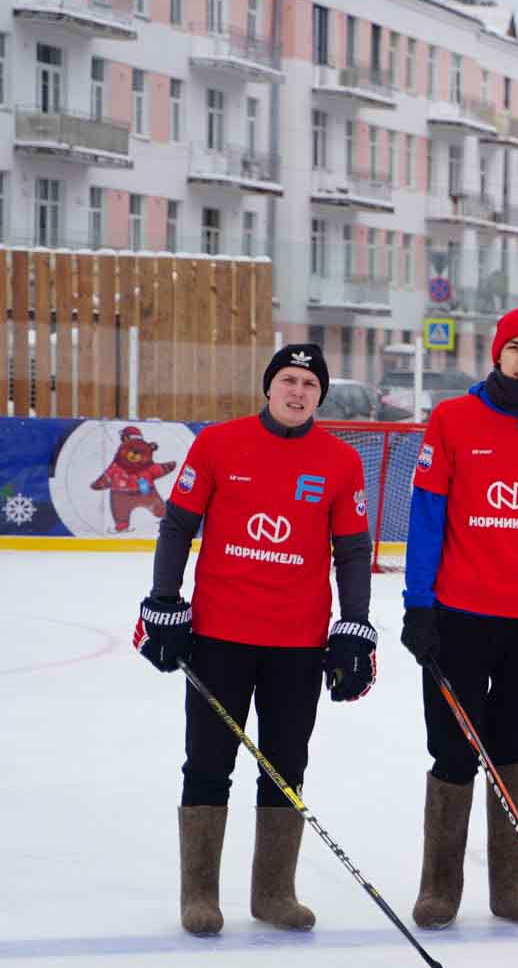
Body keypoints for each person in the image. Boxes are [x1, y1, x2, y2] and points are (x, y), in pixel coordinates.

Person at [135, 343, 377, 935]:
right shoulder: (219, 444)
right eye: (289, 380)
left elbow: (351, 550)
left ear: (320, 396)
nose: (298, 393)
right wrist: (165, 602)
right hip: (220, 635)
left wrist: (355, 626)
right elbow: (178, 526)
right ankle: (200, 896)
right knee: (209, 763)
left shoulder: (341, 461)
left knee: (286, 764)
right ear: (270, 387)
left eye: (310, 386)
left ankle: (273, 893)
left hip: (297, 642)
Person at [400, 306, 518, 930]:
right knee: (453, 750)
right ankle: (440, 889)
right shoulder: (454, 419)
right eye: (515, 348)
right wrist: (418, 605)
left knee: (515, 747)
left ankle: (509, 887)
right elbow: (427, 517)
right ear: (496, 354)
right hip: (457, 617)